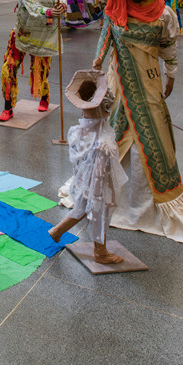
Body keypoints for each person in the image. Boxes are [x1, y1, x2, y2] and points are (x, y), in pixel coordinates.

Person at [93, 0, 183, 245]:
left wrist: (171, 74)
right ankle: (115, 202)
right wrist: (95, 73)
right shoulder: (121, 8)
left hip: (145, 84)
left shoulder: (160, 13)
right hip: (123, 84)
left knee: (149, 143)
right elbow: (104, 45)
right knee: (122, 138)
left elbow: (167, 47)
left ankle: (145, 206)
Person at [49, 70, 126, 264]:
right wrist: (98, 197)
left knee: (80, 208)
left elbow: (78, 163)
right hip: (98, 187)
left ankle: (56, 231)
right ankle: (101, 252)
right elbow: (99, 174)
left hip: (83, 180)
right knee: (100, 215)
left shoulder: (77, 131)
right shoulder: (103, 141)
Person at [0, 0, 70, 121]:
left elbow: (62, 1)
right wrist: (48, 11)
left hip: (44, 36)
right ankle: (8, 106)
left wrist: (61, 7)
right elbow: (32, 6)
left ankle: (44, 96)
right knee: (8, 69)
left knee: (41, 71)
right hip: (22, 34)